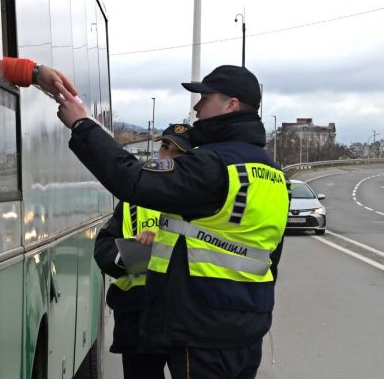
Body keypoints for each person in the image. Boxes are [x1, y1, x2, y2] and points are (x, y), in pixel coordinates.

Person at [56, 65, 289, 379]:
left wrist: (82, 125)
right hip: (247, 326)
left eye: (205, 98)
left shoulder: (213, 165)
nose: (196, 107)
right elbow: (270, 255)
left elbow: (134, 179)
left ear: (230, 105)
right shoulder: (273, 174)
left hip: (202, 327)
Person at [95, 123, 192, 379]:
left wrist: (161, 241)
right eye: (164, 146)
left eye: (176, 152)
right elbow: (103, 247)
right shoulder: (134, 198)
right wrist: (131, 253)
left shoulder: (202, 201)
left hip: (186, 319)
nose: (165, 155)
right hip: (138, 317)